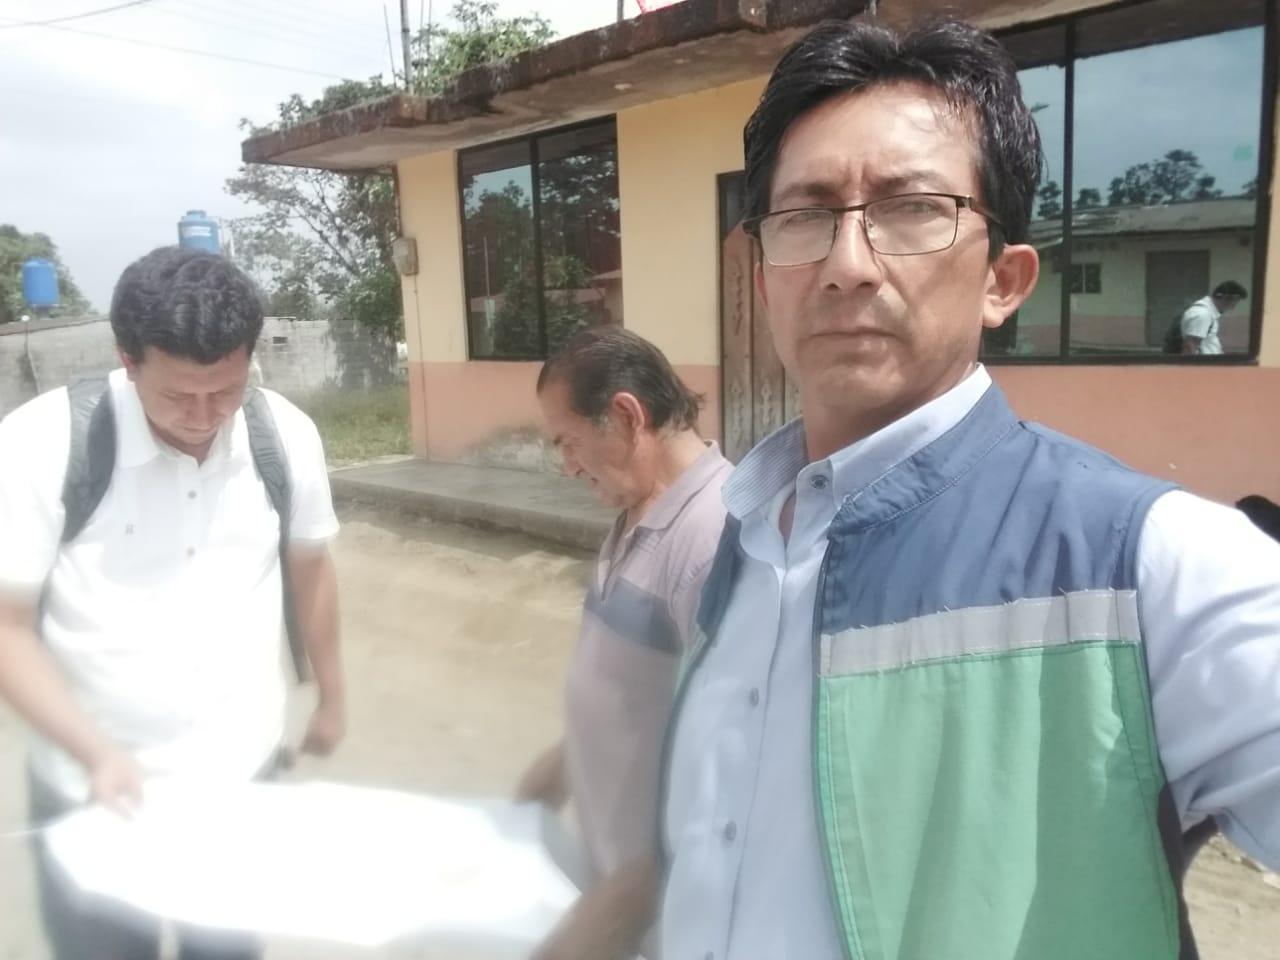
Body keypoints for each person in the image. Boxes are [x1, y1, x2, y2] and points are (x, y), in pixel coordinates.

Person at [658, 17, 1280, 960]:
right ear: (763, 278)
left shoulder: (1149, 565)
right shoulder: (739, 537)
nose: (847, 264)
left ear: (1004, 280)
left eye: (913, 209)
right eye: (806, 217)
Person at [0, 246, 346, 960]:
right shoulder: (42, 445)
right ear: (127, 361)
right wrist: (94, 752)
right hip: (94, 793)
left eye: (225, 391)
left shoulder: (283, 436)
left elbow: (311, 568)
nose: (203, 416)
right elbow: (7, 626)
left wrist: (333, 696)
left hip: (234, 783)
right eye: (179, 396)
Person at [517, 325, 732, 960]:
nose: (567, 466)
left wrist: (603, 927)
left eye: (569, 442)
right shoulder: (638, 514)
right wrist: (556, 773)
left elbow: (720, 785)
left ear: (626, 416)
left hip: (655, 925)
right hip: (610, 898)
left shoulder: (711, 539)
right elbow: (630, 694)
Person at [1180, 280, 1247, 355]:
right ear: (1224, 298)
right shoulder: (1203, 314)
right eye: (1233, 303)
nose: (1232, 308)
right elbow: (1190, 346)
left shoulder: (1208, 313)